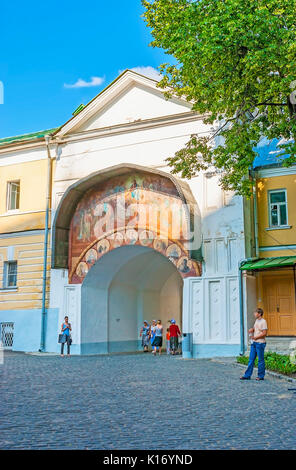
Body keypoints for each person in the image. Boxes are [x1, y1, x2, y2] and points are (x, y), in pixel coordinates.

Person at [240, 308, 268, 381]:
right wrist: (252, 329)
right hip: (254, 343)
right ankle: (247, 375)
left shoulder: (263, 321)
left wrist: (255, 337)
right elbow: (257, 329)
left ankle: (261, 376)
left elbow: (264, 333)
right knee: (251, 360)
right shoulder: (256, 321)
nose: (254, 314)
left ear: (259, 314)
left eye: (255, 313)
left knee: (260, 360)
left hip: (260, 343)